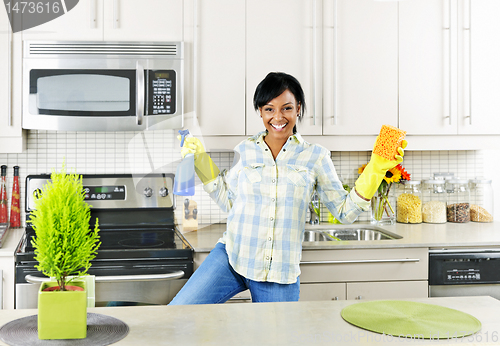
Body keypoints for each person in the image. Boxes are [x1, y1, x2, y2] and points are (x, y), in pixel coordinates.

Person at [169, 72, 406, 304]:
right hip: (232, 257)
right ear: (260, 111)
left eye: (287, 108)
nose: (278, 117)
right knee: (179, 314)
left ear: (298, 108)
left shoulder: (316, 157)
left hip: (279, 273)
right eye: (269, 109)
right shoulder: (245, 150)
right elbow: (229, 202)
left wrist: (376, 169)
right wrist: (200, 159)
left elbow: (345, 212)